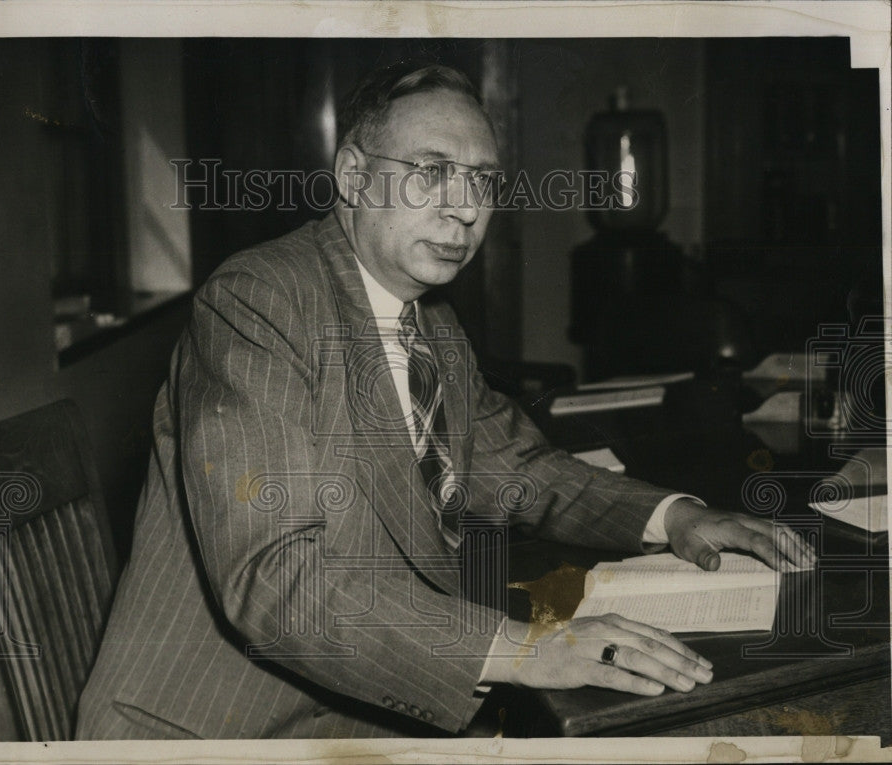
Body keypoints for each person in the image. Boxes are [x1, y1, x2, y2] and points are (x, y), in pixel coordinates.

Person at [76, 62, 815, 740]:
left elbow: (519, 466)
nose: (464, 209)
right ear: (355, 177)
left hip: (352, 704)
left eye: (483, 181)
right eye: (431, 172)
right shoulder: (260, 302)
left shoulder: (431, 324)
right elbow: (276, 583)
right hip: (223, 727)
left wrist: (677, 515)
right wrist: (527, 649)